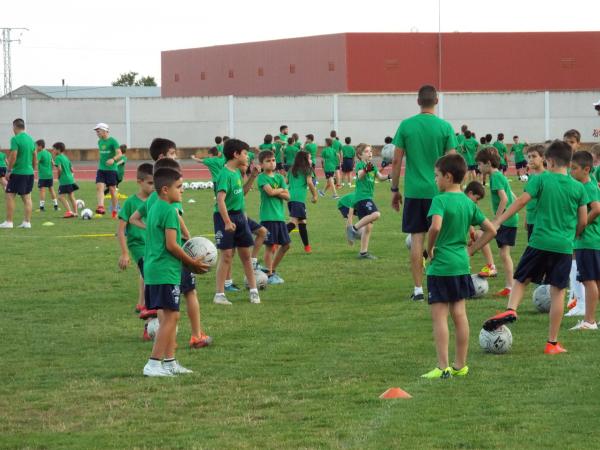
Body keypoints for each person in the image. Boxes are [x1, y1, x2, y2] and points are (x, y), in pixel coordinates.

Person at [482, 140, 588, 355]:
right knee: (558, 292)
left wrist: (499, 221)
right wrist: (571, 236)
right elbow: (583, 220)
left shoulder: (540, 180)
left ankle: (511, 309)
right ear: (569, 162)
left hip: (539, 241)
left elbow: (521, 201)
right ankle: (552, 343)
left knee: (521, 279)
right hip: (564, 245)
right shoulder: (579, 187)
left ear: (548, 161)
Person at [129, 139, 213, 348]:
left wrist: (151, 233)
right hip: (173, 257)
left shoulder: (153, 199)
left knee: (165, 306)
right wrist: (188, 237)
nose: (182, 189)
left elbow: (133, 219)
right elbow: (175, 218)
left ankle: (166, 340)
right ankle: (195, 335)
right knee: (189, 292)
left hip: (154, 259)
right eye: (180, 185)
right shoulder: (169, 203)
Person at [422, 154, 496, 379]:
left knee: (439, 316)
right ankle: (460, 365)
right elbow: (491, 230)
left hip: (442, 266)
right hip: (461, 265)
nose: (435, 180)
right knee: (460, 314)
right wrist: (471, 251)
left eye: (436, 176)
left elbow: (435, 227)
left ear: (448, 176)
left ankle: (442, 366)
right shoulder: (467, 201)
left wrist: (430, 248)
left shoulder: (440, 200)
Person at [391, 85, 457, 301]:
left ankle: (418, 289)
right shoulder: (445, 127)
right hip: (440, 192)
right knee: (442, 238)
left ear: (418, 101)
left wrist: (394, 189)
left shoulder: (406, 126)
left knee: (417, 239)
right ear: (436, 101)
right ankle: (440, 285)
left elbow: (397, 160)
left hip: (414, 193)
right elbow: (454, 160)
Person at [142, 167, 210, 377]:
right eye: (179, 187)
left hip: (154, 268)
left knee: (172, 316)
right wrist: (192, 263)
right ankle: (153, 364)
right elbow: (172, 245)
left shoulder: (155, 206)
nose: (182, 191)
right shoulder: (170, 211)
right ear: (164, 189)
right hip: (165, 270)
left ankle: (170, 362)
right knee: (171, 318)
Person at [212, 138, 261, 305]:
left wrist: (253, 176)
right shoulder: (225, 174)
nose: (247, 157)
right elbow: (220, 200)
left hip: (240, 217)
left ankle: (254, 291)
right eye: (245, 153)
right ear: (235, 154)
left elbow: (242, 193)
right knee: (226, 255)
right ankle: (219, 294)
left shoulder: (237, 172)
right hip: (224, 217)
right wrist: (226, 221)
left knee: (246, 255)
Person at [117, 162, 154, 338]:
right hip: (138, 247)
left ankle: (148, 311)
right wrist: (125, 253)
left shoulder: (156, 200)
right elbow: (121, 229)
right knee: (150, 279)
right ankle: (148, 326)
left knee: (153, 280)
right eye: (150, 183)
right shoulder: (131, 202)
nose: (153, 187)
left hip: (155, 246)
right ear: (139, 181)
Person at [475, 147, 518, 297]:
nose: (478, 168)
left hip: (506, 220)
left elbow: (504, 199)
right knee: (485, 238)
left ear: (488, 163)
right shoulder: (499, 176)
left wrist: (497, 220)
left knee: (484, 236)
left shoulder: (495, 177)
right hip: (509, 218)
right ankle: (509, 285)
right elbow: (510, 194)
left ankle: (503, 279)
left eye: (480, 164)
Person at [569, 150, 600, 330]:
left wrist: (579, 227)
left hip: (588, 241)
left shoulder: (587, 187)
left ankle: (589, 321)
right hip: (593, 241)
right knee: (595, 281)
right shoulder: (591, 184)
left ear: (586, 169)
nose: (571, 172)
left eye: (574, 168)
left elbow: (596, 208)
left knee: (588, 281)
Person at [346, 144, 390, 259]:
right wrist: (365, 170)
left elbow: (380, 177)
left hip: (368, 197)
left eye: (370, 151)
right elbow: (360, 175)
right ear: (360, 155)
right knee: (376, 214)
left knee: (368, 227)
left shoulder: (372, 166)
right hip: (362, 198)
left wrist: (389, 176)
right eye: (366, 151)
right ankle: (353, 229)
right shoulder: (360, 165)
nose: (370, 153)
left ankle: (363, 253)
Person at [257, 150, 291, 284]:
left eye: (273, 160)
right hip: (268, 216)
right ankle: (270, 274)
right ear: (261, 164)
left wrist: (278, 191)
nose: (271, 163)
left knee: (286, 245)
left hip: (280, 217)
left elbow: (288, 197)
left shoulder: (280, 177)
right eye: (268, 161)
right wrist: (281, 190)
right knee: (270, 247)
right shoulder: (262, 177)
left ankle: (271, 270)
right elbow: (269, 192)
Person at [0, 118, 37, 229]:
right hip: (29, 172)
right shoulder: (31, 139)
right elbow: (35, 157)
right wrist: (32, 169)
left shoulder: (15, 139)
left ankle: (9, 222)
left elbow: (14, 155)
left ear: (15, 127)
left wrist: (9, 170)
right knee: (27, 198)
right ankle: (27, 222)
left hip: (18, 172)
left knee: (10, 195)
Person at [286, 150, 318, 253]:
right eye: (309, 158)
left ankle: (307, 247)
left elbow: (286, 182)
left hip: (290, 198)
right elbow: (309, 182)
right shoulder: (307, 169)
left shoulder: (292, 169)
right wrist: (315, 195)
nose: (311, 160)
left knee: (302, 222)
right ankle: (274, 239)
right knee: (294, 222)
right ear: (304, 160)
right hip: (298, 199)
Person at [464, 181, 497, 277]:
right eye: (476, 198)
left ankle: (491, 266)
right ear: (470, 193)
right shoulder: (467, 204)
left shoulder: (467, 204)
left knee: (479, 234)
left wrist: (472, 234)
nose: (476, 202)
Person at [93, 123, 123, 218]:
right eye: (96, 132)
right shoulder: (99, 141)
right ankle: (101, 207)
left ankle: (115, 210)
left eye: (98, 131)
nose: (97, 133)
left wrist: (113, 159)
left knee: (112, 190)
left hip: (111, 170)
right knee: (99, 187)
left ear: (105, 131)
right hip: (101, 169)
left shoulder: (113, 141)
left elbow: (120, 154)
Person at [523, 144, 546, 241]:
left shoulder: (547, 177)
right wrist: (526, 219)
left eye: (534, 156)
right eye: (529, 157)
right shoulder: (532, 177)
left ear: (543, 158)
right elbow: (529, 200)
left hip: (541, 222)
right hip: (531, 219)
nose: (531, 159)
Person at [52, 142, 79, 218]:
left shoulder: (57, 158)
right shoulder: (65, 157)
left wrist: (59, 176)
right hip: (71, 179)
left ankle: (69, 212)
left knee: (60, 197)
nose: (53, 151)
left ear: (58, 150)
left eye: (54, 149)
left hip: (64, 180)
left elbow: (59, 169)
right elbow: (72, 169)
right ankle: (75, 213)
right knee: (71, 196)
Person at [36, 139, 58, 211]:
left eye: (36, 146)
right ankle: (56, 206)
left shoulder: (40, 153)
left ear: (40, 146)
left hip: (43, 175)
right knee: (51, 189)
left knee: (42, 190)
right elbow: (53, 163)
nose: (36, 147)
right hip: (50, 175)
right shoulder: (49, 153)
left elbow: (36, 162)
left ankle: (41, 207)